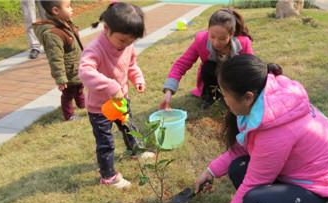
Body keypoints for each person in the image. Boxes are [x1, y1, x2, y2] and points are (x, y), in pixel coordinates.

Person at [195, 54, 328, 203]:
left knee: (254, 202)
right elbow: (243, 148)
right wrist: (211, 171)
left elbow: (253, 184)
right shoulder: (267, 103)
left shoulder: (274, 130)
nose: (224, 100)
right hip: (308, 181)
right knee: (238, 168)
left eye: (225, 94)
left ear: (248, 97)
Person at [78, 2, 147, 189]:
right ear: (106, 29)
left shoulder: (128, 46)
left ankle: (136, 150)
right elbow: (84, 72)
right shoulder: (95, 49)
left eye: (131, 42)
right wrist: (111, 86)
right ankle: (108, 176)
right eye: (122, 41)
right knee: (105, 143)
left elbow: (131, 65)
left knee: (128, 126)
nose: (126, 45)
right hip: (100, 108)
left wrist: (137, 78)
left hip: (121, 100)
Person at [160, 8, 254, 110]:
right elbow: (181, 64)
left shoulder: (243, 43)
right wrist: (169, 90)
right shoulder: (201, 40)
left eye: (222, 39)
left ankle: (229, 96)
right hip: (212, 77)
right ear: (208, 30)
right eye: (212, 36)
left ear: (231, 34)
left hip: (233, 79)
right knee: (208, 67)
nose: (216, 43)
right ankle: (210, 96)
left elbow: (251, 70)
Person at [33, 0, 85, 121]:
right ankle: (69, 115)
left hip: (76, 67)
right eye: (68, 6)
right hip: (68, 71)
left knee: (79, 87)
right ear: (56, 11)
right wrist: (60, 78)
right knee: (68, 94)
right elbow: (55, 58)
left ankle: (82, 104)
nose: (71, 9)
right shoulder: (53, 34)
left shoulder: (64, 23)